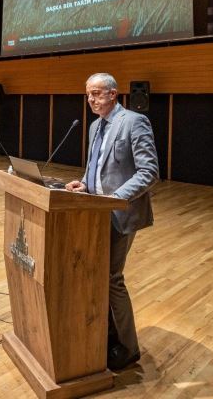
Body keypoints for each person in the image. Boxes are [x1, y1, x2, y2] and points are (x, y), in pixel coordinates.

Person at [65, 73, 158, 371]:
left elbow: (148, 171)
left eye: (96, 93)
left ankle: (129, 348)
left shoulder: (134, 122)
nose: (91, 99)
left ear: (113, 94)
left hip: (120, 213)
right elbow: (95, 166)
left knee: (112, 278)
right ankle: (107, 335)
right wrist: (83, 183)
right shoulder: (94, 126)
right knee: (97, 275)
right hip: (95, 213)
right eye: (88, 94)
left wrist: (115, 197)